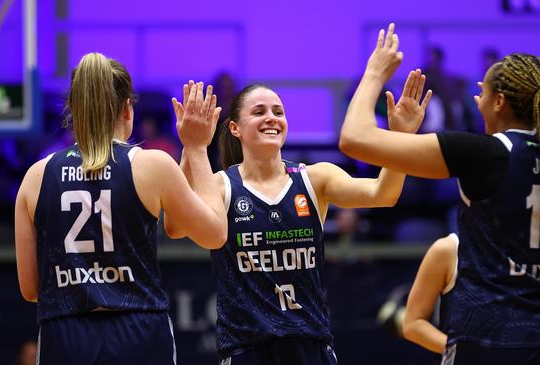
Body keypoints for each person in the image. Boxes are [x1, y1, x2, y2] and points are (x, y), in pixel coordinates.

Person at [340, 23, 540, 364]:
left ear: (500, 102)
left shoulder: (487, 153)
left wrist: (374, 73)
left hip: (496, 339)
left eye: (482, 92)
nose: (477, 101)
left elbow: (354, 138)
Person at [167, 76, 430, 364]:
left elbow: (384, 193)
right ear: (235, 128)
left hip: (310, 345)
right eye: (259, 112)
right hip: (247, 349)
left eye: (278, 112)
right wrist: (191, 146)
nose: (271, 118)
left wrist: (401, 137)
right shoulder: (220, 185)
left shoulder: (315, 178)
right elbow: (175, 227)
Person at [14, 53, 227, 364]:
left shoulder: (36, 176)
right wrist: (196, 148)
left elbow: (31, 288)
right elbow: (215, 233)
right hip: (138, 330)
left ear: (73, 110)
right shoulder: (151, 165)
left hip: (65, 332)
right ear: (128, 109)